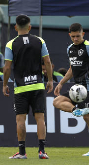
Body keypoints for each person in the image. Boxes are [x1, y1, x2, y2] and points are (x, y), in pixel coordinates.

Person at [53, 23, 89, 156]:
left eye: (77, 36)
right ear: (69, 35)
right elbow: (72, 69)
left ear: (83, 34)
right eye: (73, 36)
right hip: (77, 88)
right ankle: (75, 110)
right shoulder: (70, 49)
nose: (75, 39)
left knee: (88, 118)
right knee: (56, 101)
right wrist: (61, 83)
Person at [3, 14, 53, 159]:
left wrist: (5, 84)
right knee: (40, 118)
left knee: (20, 119)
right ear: (30, 27)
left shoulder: (10, 44)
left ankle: (22, 152)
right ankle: (42, 151)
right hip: (37, 85)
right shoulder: (39, 41)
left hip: (21, 88)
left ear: (15, 27)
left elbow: (7, 68)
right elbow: (48, 62)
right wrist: (49, 80)